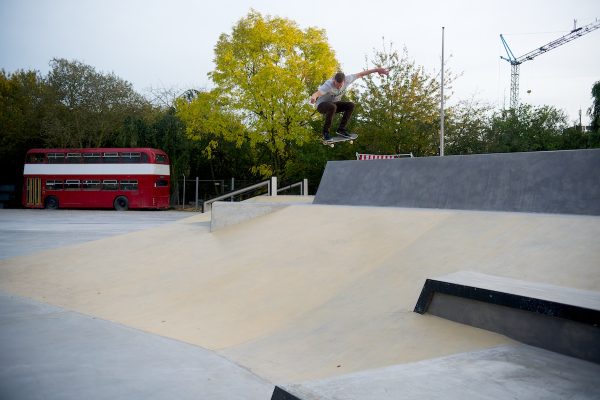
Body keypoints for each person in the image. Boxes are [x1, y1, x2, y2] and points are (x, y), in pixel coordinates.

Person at [310, 68, 389, 140]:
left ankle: (341, 129)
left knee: (350, 105)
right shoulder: (328, 84)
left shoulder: (348, 79)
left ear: (344, 81)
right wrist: (313, 98)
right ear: (334, 80)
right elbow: (317, 93)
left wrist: (376, 70)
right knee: (332, 106)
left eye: (340, 86)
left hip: (334, 104)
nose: (338, 87)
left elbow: (361, 74)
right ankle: (325, 133)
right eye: (337, 85)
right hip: (321, 106)